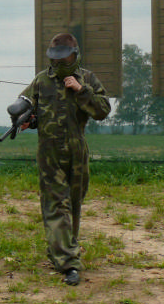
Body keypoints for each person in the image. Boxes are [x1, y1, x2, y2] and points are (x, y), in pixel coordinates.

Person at [17, 33, 111, 286]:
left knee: (73, 204)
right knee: (56, 205)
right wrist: (26, 120)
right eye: (55, 58)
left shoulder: (87, 79)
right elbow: (26, 106)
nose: (59, 62)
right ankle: (69, 263)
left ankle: (64, 248)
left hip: (77, 151)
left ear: (74, 55)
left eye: (64, 58)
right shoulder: (41, 80)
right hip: (49, 152)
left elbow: (103, 110)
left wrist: (81, 90)